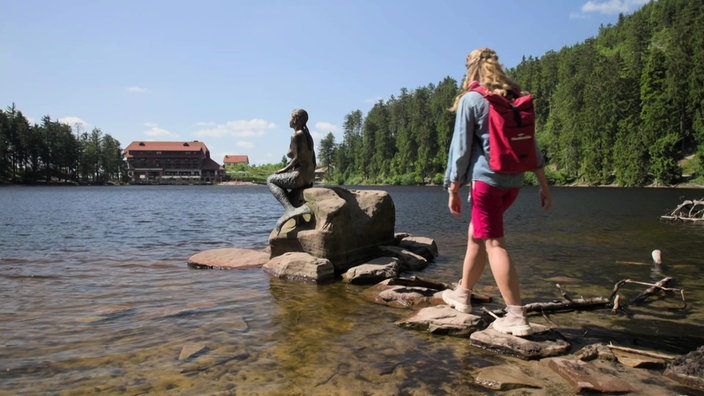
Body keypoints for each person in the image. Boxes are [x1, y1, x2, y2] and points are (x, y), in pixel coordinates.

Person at [442, 48, 553, 337]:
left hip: (486, 184)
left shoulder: (472, 99)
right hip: (513, 184)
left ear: (471, 69)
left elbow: (461, 149)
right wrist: (543, 184)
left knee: (493, 243)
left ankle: (516, 315)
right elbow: (532, 146)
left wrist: (453, 187)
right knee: (476, 236)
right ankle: (463, 294)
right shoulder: (513, 98)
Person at [267, 108, 317, 231]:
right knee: (290, 195)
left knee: (270, 180)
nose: (289, 120)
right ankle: (298, 219)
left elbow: (296, 158)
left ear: (296, 120)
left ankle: (290, 209)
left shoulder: (297, 135)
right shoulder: (307, 136)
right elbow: (313, 159)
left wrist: (283, 170)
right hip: (308, 177)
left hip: (299, 176)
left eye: (291, 117)